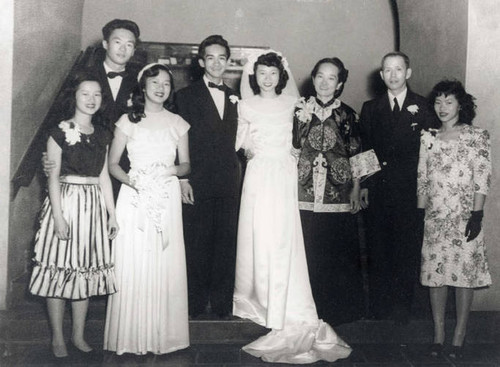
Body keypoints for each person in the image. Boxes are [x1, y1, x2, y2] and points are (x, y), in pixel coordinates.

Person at [233, 51, 351, 364]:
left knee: (285, 240)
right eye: (261, 73)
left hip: (286, 176)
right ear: (254, 75)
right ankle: (261, 300)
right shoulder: (244, 106)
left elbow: (303, 143)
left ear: (281, 75)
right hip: (258, 176)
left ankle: (289, 303)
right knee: (260, 237)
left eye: (272, 73)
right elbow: (240, 143)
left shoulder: (296, 104)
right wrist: (249, 151)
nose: (267, 78)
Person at [28, 71, 118, 359]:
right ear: (74, 97)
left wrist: (111, 214)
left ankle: (78, 335)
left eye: (97, 94)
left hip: (93, 207)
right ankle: (57, 337)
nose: (91, 100)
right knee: (58, 271)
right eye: (85, 94)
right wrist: (57, 216)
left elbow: (104, 177)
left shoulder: (104, 133)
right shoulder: (58, 131)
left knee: (86, 272)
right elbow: (52, 177)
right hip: (65, 203)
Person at [103, 63, 190, 355]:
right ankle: (131, 336)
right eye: (155, 82)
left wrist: (167, 171)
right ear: (143, 87)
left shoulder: (178, 122)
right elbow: (113, 164)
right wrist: (135, 181)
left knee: (165, 260)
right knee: (135, 260)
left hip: (166, 195)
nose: (161, 88)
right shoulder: (127, 121)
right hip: (134, 195)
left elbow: (186, 164)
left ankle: (163, 336)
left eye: (166, 83)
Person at [359, 51, 438, 324]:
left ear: (408, 72)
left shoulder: (425, 107)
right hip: (379, 189)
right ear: (381, 75)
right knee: (378, 246)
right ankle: (379, 306)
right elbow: (364, 149)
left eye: (398, 69)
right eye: (387, 70)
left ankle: (404, 306)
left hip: (410, 190)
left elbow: (432, 154)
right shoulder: (370, 108)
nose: (393, 75)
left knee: (407, 246)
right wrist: (365, 184)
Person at [417, 80, 491, 359]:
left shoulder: (476, 136)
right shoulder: (428, 137)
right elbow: (422, 178)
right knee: (436, 276)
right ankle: (439, 334)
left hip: (464, 217)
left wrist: (477, 214)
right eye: (438, 101)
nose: (442, 107)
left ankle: (459, 336)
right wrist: (421, 211)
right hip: (436, 218)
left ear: (461, 105)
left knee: (464, 276)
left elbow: (482, 177)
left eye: (449, 102)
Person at [293, 57, 364, 326]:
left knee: (335, 254)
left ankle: (336, 312)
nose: (324, 83)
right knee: (306, 251)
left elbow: (357, 153)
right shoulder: (298, 111)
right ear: (313, 79)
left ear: (340, 83)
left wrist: (357, 188)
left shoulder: (348, 114)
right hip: (303, 193)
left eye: (331, 78)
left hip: (338, 194)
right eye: (320, 76)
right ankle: (305, 311)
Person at [176, 35, 240, 319]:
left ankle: (223, 305)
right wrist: (182, 179)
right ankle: (195, 305)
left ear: (228, 61)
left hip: (229, 182)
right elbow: (176, 140)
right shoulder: (184, 97)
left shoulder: (237, 98)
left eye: (221, 58)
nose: (216, 63)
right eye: (210, 58)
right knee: (197, 243)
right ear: (201, 62)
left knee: (226, 244)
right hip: (197, 181)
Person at [43, 19, 141, 197]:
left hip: (126, 165)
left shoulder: (140, 81)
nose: (123, 49)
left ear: (134, 50)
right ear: (105, 44)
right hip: (85, 163)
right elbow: (59, 117)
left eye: (129, 45)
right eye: (117, 42)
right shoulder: (83, 75)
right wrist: (47, 154)